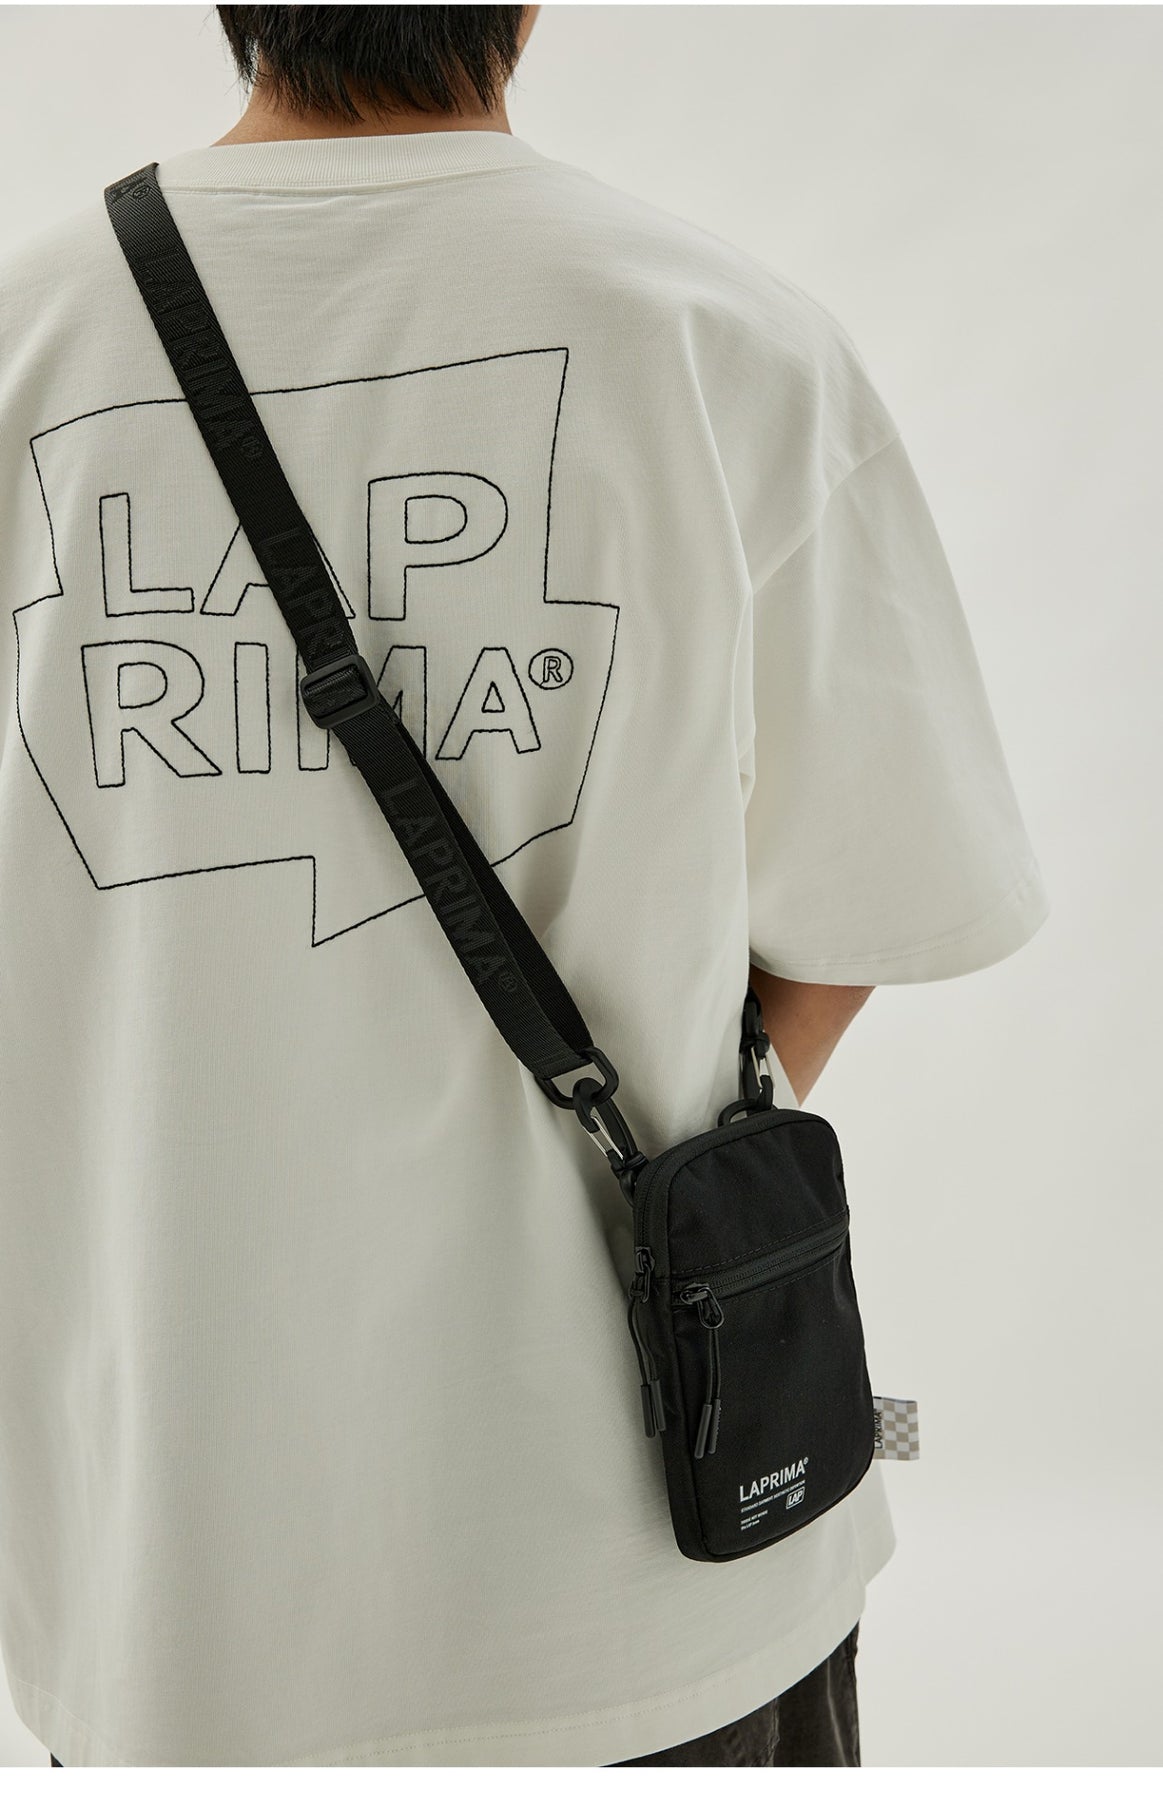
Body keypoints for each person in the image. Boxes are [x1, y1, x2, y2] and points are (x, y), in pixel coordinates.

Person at [0, 5, 1049, 1769]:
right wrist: (662, 1182)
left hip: (167, 1571)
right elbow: (873, 904)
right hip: (649, 1552)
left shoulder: (26, 339)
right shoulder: (725, 338)